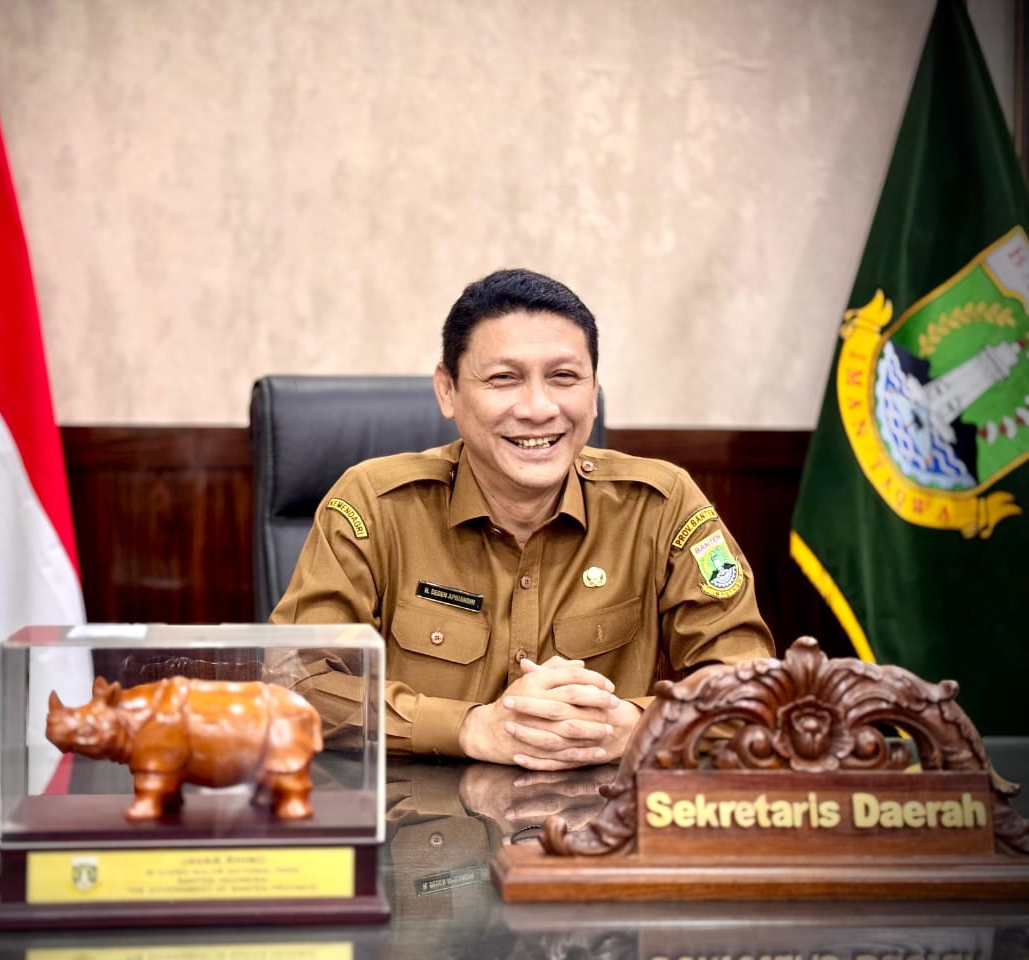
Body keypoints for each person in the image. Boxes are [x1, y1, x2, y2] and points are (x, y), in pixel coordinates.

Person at [270, 268, 774, 770]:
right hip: (414, 814)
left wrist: (641, 725)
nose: (538, 408)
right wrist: (468, 728)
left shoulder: (661, 506)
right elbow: (292, 683)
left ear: (594, 390)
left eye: (564, 377)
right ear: (447, 390)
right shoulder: (374, 506)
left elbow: (749, 682)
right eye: (503, 378)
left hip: (605, 813)